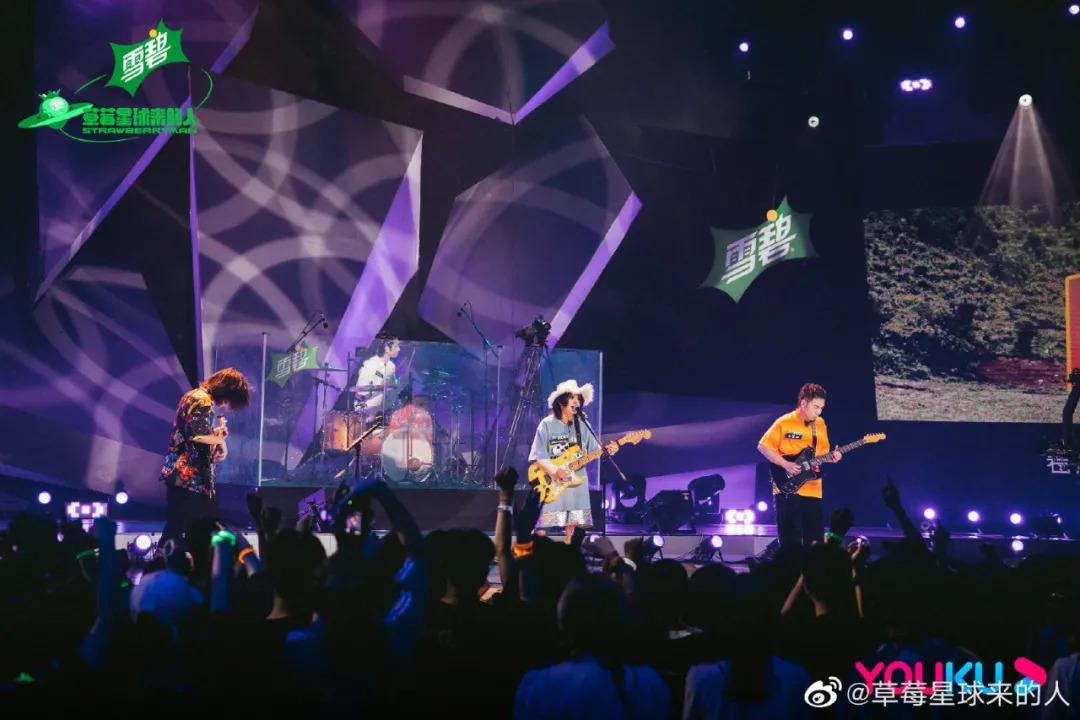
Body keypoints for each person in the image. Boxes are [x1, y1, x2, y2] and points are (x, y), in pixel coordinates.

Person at [159, 367, 252, 545]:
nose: (224, 404)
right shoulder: (202, 400)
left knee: (184, 528)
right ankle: (164, 558)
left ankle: (172, 557)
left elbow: (191, 432)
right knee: (183, 528)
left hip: (190, 478)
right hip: (188, 478)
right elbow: (195, 435)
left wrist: (215, 435)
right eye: (227, 399)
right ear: (224, 390)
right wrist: (221, 442)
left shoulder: (194, 396)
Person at [529, 379, 618, 542]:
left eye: (578, 398)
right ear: (561, 402)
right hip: (554, 481)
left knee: (574, 528)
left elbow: (596, 450)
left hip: (577, 482)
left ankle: (571, 550)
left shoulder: (583, 424)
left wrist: (608, 451)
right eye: (572, 397)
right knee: (544, 526)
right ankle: (534, 551)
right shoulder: (546, 424)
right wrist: (555, 470)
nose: (576, 401)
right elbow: (539, 454)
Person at [756, 383, 841, 551]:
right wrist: (785, 464)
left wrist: (833, 457)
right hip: (787, 488)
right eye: (815, 407)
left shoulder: (820, 424)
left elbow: (821, 455)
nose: (819, 412)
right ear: (803, 403)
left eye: (821, 408)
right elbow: (763, 447)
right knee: (790, 540)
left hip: (813, 489)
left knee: (814, 541)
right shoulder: (784, 422)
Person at [353, 337, 401, 416]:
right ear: (386, 348)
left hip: (380, 408)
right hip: (366, 407)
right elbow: (361, 388)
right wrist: (380, 384)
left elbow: (390, 387)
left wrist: (396, 384)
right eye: (396, 346)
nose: (399, 349)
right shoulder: (370, 364)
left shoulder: (391, 366)